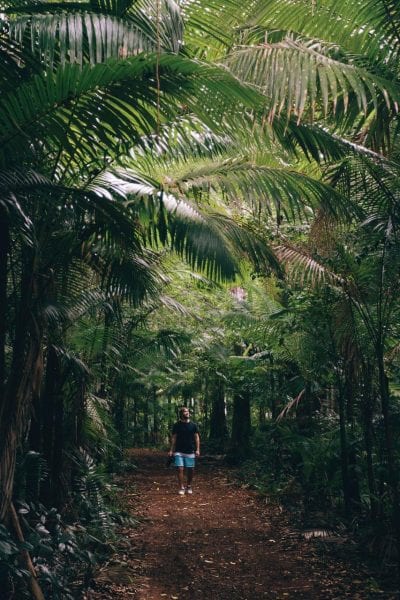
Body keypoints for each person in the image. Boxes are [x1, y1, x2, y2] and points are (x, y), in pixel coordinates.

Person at [168, 406, 200, 495]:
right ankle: (181, 487)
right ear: (181, 414)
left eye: (187, 411)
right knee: (180, 468)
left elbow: (197, 438)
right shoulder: (177, 425)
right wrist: (171, 450)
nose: (187, 413)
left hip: (190, 450)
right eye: (185, 412)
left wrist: (197, 449)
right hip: (179, 451)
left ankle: (189, 486)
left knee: (191, 469)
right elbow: (174, 438)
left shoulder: (193, 425)